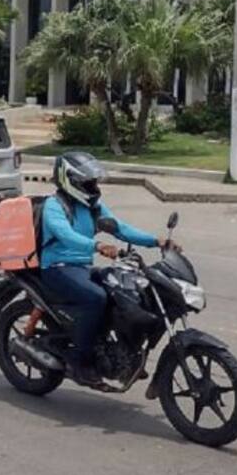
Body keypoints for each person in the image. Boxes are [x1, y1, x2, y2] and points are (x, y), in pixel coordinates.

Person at [40, 151, 177, 385]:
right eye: (87, 182)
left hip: (82, 267)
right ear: (70, 180)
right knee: (95, 298)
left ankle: (121, 353)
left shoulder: (93, 206)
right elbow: (66, 235)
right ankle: (80, 360)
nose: (93, 186)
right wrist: (98, 245)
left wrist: (156, 241)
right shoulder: (54, 205)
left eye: (93, 181)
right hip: (57, 267)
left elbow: (120, 228)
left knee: (127, 292)